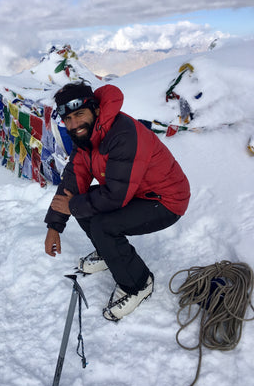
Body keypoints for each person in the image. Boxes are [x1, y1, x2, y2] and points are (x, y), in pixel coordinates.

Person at [44, 81, 190, 321]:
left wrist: (73, 206)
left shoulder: (122, 134)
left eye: (79, 114)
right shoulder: (88, 137)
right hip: (136, 193)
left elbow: (114, 197)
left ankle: (139, 284)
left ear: (96, 109)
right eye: (68, 119)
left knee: (103, 225)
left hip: (166, 200)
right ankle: (107, 252)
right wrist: (54, 225)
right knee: (82, 204)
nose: (74, 124)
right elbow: (74, 178)